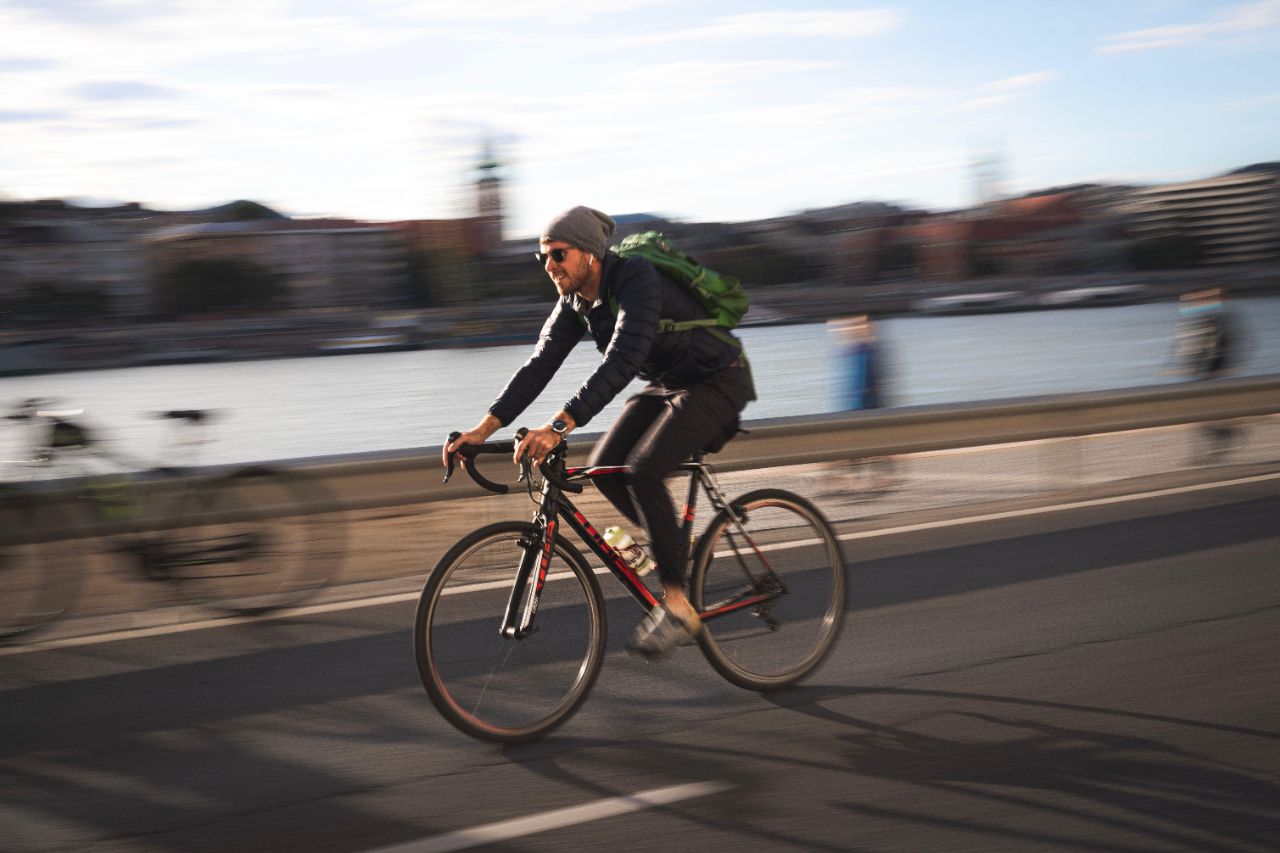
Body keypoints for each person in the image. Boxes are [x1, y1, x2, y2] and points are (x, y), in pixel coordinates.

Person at [443, 205, 755, 657]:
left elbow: (623, 360)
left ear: (589, 253)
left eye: (558, 254)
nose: (549, 266)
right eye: (543, 257)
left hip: (716, 378)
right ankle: (670, 544)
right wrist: (483, 427)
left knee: (644, 472)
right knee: (606, 467)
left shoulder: (636, 278)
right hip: (669, 383)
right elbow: (540, 364)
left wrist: (559, 424)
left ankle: (677, 605)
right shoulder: (575, 300)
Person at [826, 314, 894, 492]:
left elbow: (867, 381)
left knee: (858, 447)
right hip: (857, 406)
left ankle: (858, 478)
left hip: (863, 407)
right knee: (863, 447)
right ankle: (861, 478)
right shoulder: (858, 349)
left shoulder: (865, 350)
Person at [1173, 287, 1239, 462]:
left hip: (1208, 376)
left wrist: (1211, 371)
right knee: (1202, 416)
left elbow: (1215, 349)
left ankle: (1204, 451)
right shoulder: (1204, 321)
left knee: (1201, 415)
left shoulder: (1215, 321)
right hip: (1202, 375)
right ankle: (1217, 442)